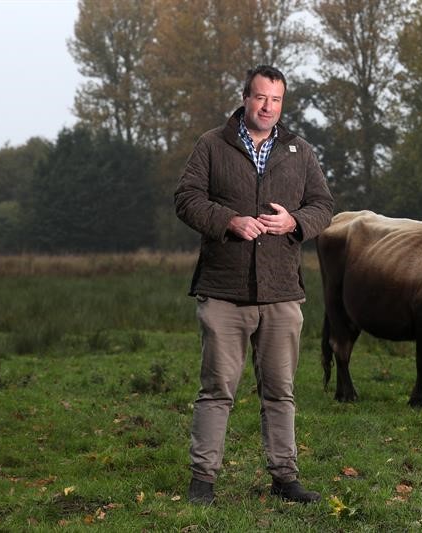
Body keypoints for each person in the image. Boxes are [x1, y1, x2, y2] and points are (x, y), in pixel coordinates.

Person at [174, 65, 333, 505]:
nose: (268, 107)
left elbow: (324, 205)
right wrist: (228, 220)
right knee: (216, 391)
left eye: (276, 100)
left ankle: (285, 479)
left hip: (282, 293)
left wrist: (294, 222)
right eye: (261, 98)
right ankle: (202, 482)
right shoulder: (211, 144)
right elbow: (186, 199)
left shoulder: (299, 151)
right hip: (224, 291)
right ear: (245, 97)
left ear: (283, 103)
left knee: (280, 391)